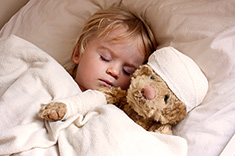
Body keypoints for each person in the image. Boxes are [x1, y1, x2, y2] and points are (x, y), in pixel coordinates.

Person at [71, 7, 157, 91]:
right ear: (78, 53)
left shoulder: (116, 105)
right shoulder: (59, 78)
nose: (115, 72)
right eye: (105, 58)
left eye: (127, 71)